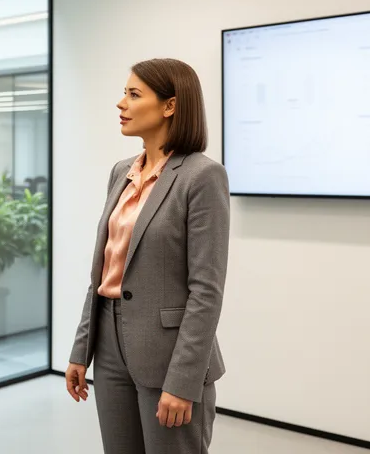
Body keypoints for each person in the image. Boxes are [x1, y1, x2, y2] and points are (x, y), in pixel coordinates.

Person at [64, 58, 230, 454]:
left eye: (133, 94)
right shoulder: (122, 171)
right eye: (124, 93)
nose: (121, 103)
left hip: (169, 353)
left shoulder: (202, 176)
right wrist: (80, 351)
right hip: (109, 345)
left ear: (170, 106)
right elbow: (103, 272)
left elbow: (206, 290)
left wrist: (183, 380)